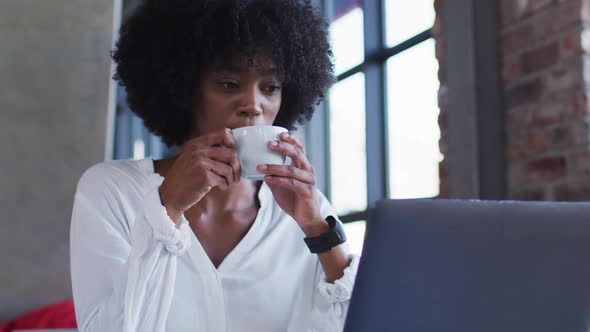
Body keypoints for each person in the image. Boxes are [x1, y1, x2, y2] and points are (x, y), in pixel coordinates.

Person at [70, 0, 359, 331]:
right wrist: (167, 210)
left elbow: (356, 323)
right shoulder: (112, 190)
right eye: (229, 84)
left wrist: (316, 229)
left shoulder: (306, 211)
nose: (253, 105)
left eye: (270, 87)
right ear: (185, 89)